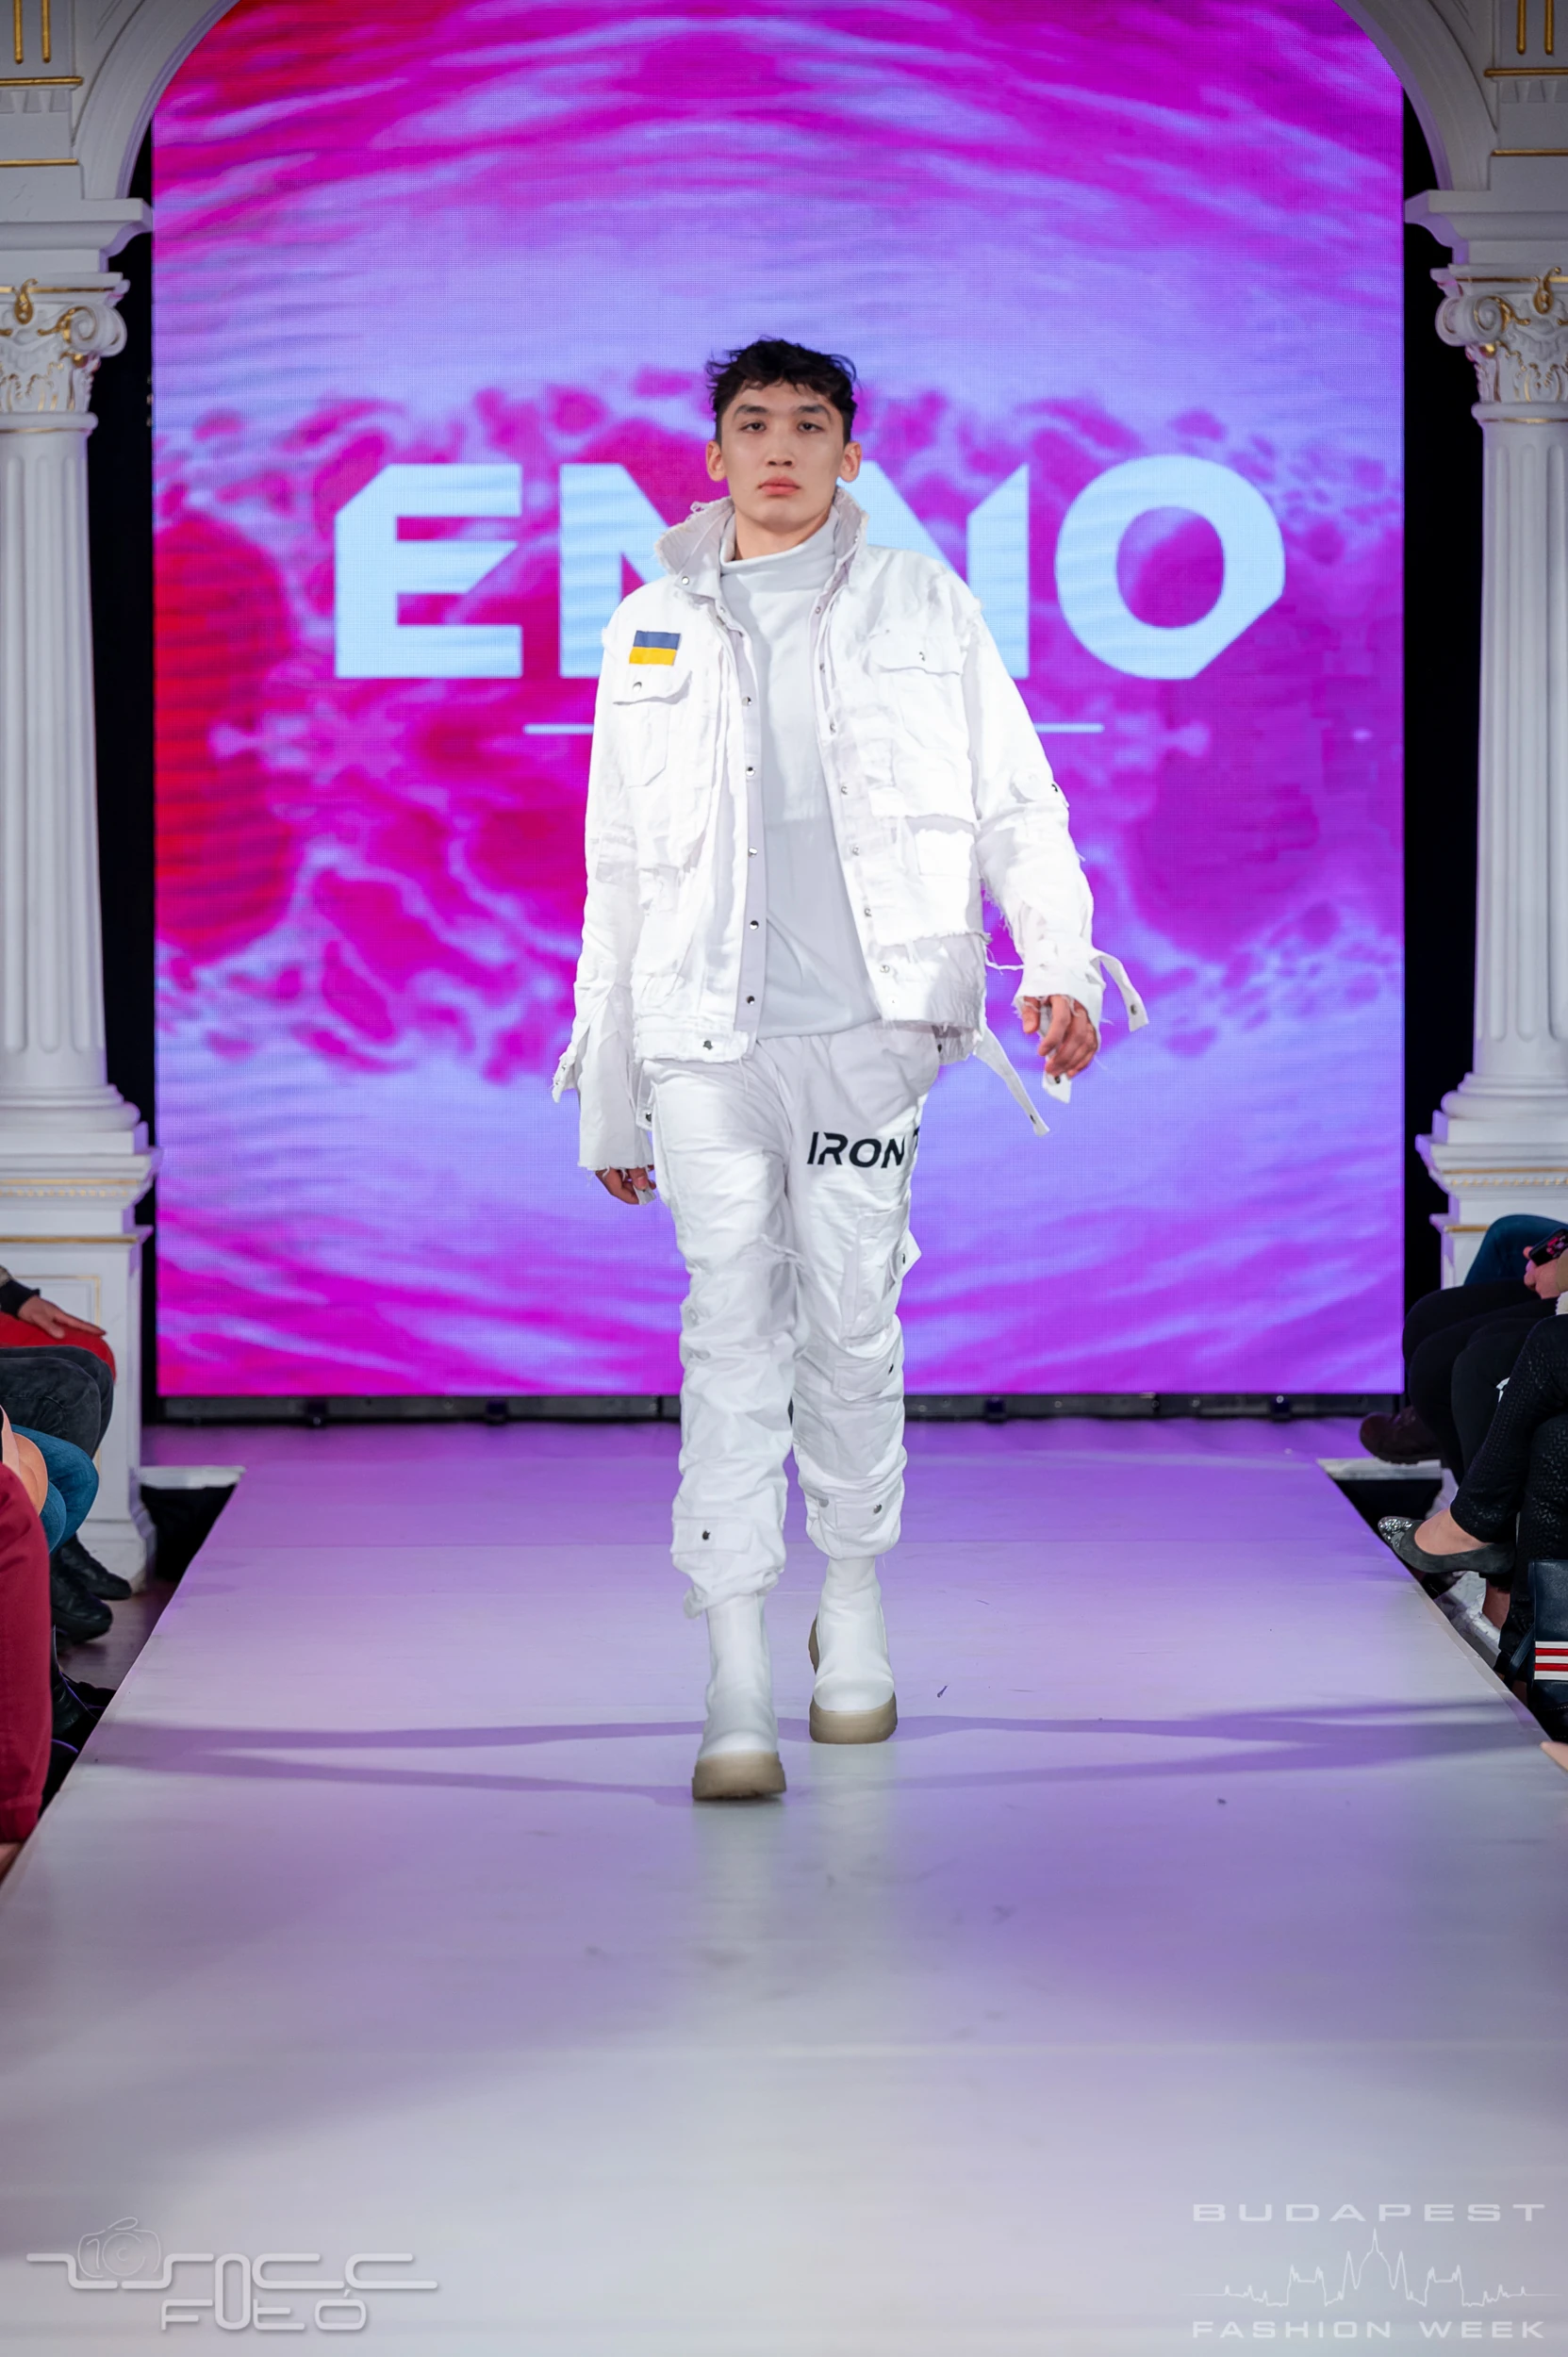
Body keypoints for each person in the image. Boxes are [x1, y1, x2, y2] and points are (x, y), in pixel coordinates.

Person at [555, 338, 1143, 1801]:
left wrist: (1058, 963)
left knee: (852, 1326)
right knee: (726, 1330)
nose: (779, 447)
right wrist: (611, 1086)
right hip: (701, 1039)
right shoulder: (646, 625)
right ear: (714, 455)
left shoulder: (923, 603)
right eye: (752, 423)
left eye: (808, 425)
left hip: (873, 1038)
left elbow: (1017, 804)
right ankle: (733, 1673)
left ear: (849, 455)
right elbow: (617, 870)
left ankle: (855, 1601)